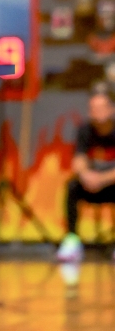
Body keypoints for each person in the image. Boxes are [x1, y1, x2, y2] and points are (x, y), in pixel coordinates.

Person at [56, 86, 115, 263]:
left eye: (101, 108)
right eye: (93, 108)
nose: (97, 112)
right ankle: (72, 240)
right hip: (91, 185)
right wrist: (85, 175)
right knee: (72, 186)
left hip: (111, 185)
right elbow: (78, 159)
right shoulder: (85, 130)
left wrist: (102, 179)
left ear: (111, 109)